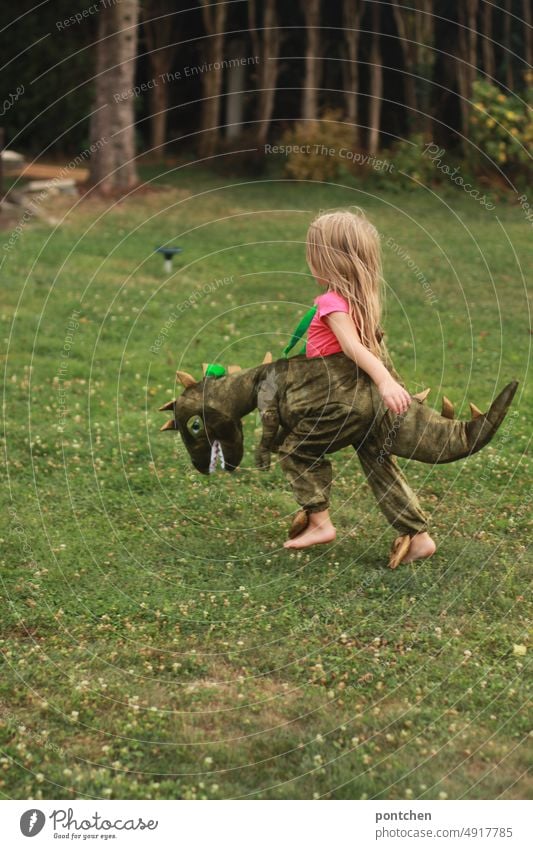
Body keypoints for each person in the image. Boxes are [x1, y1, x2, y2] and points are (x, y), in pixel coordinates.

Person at [283, 209, 436, 563]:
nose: (309, 261)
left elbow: (354, 348)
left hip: (341, 402)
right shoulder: (362, 303)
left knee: (297, 451)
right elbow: (375, 347)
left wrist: (385, 381)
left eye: (313, 253)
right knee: (379, 462)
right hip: (364, 403)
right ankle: (417, 535)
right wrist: (392, 385)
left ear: (327, 261)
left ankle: (319, 521)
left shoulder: (331, 304)